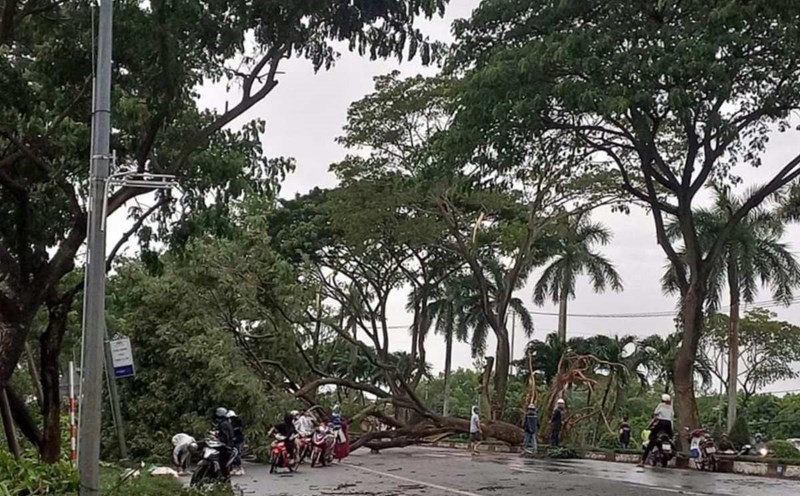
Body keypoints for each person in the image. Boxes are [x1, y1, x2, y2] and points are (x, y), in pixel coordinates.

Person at [639, 394, 674, 467]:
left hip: (661, 423)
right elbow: (672, 417)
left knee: (651, 440)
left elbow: (655, 413)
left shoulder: (661, 405)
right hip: (669, 425)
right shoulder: (670, 407)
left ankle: (642, 461)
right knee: (670, 439)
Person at [212, 407, 236, 478]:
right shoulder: (226, 423)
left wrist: (222, 442)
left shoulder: (223, 424)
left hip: (226, 447)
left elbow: (226, 436)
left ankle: (224, 477)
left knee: (222, 463)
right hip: (228, 446)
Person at [227, 410, 245, 476]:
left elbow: (237, 430)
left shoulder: (237, 423)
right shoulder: (229, 424)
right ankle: (234, 468)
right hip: (232, 441)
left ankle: (240, 468)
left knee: (237, 455)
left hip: (238, 441)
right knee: (232, 455)